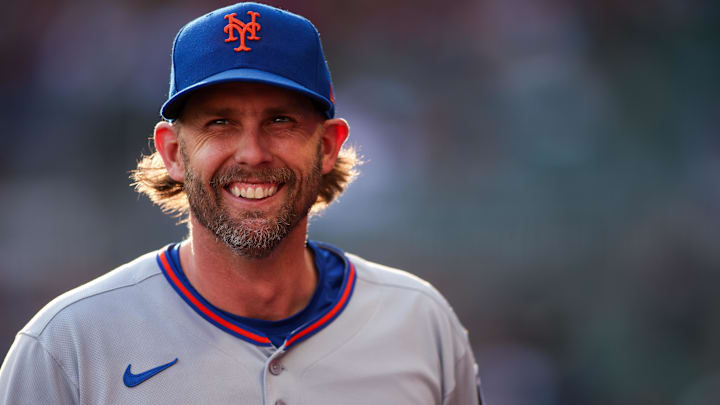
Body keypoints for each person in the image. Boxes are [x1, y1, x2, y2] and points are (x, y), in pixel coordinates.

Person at [0, 3, 481, 404]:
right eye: (219, 123)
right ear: (172, 152)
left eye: (280, 120)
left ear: (329, 145)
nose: (252, 153)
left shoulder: (420, 322)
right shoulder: (68, 346)